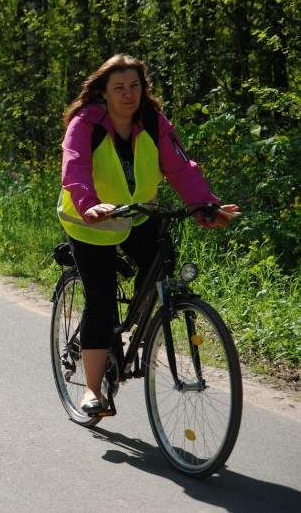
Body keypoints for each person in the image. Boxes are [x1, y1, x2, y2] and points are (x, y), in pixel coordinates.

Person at [58, 54, 240, 414]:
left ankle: (141, 327)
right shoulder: (85, 124)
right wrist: (88, 203)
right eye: (119, 88)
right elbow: (75, 165)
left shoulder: (153, 122)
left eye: (135, 86)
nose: (129, 94)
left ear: (144, 88)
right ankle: (92, 390)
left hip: (137, 215)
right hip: (91, 221)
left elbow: (181, 168)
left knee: (162, 259)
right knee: (101, 299)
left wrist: (206, 206)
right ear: (104, 93)